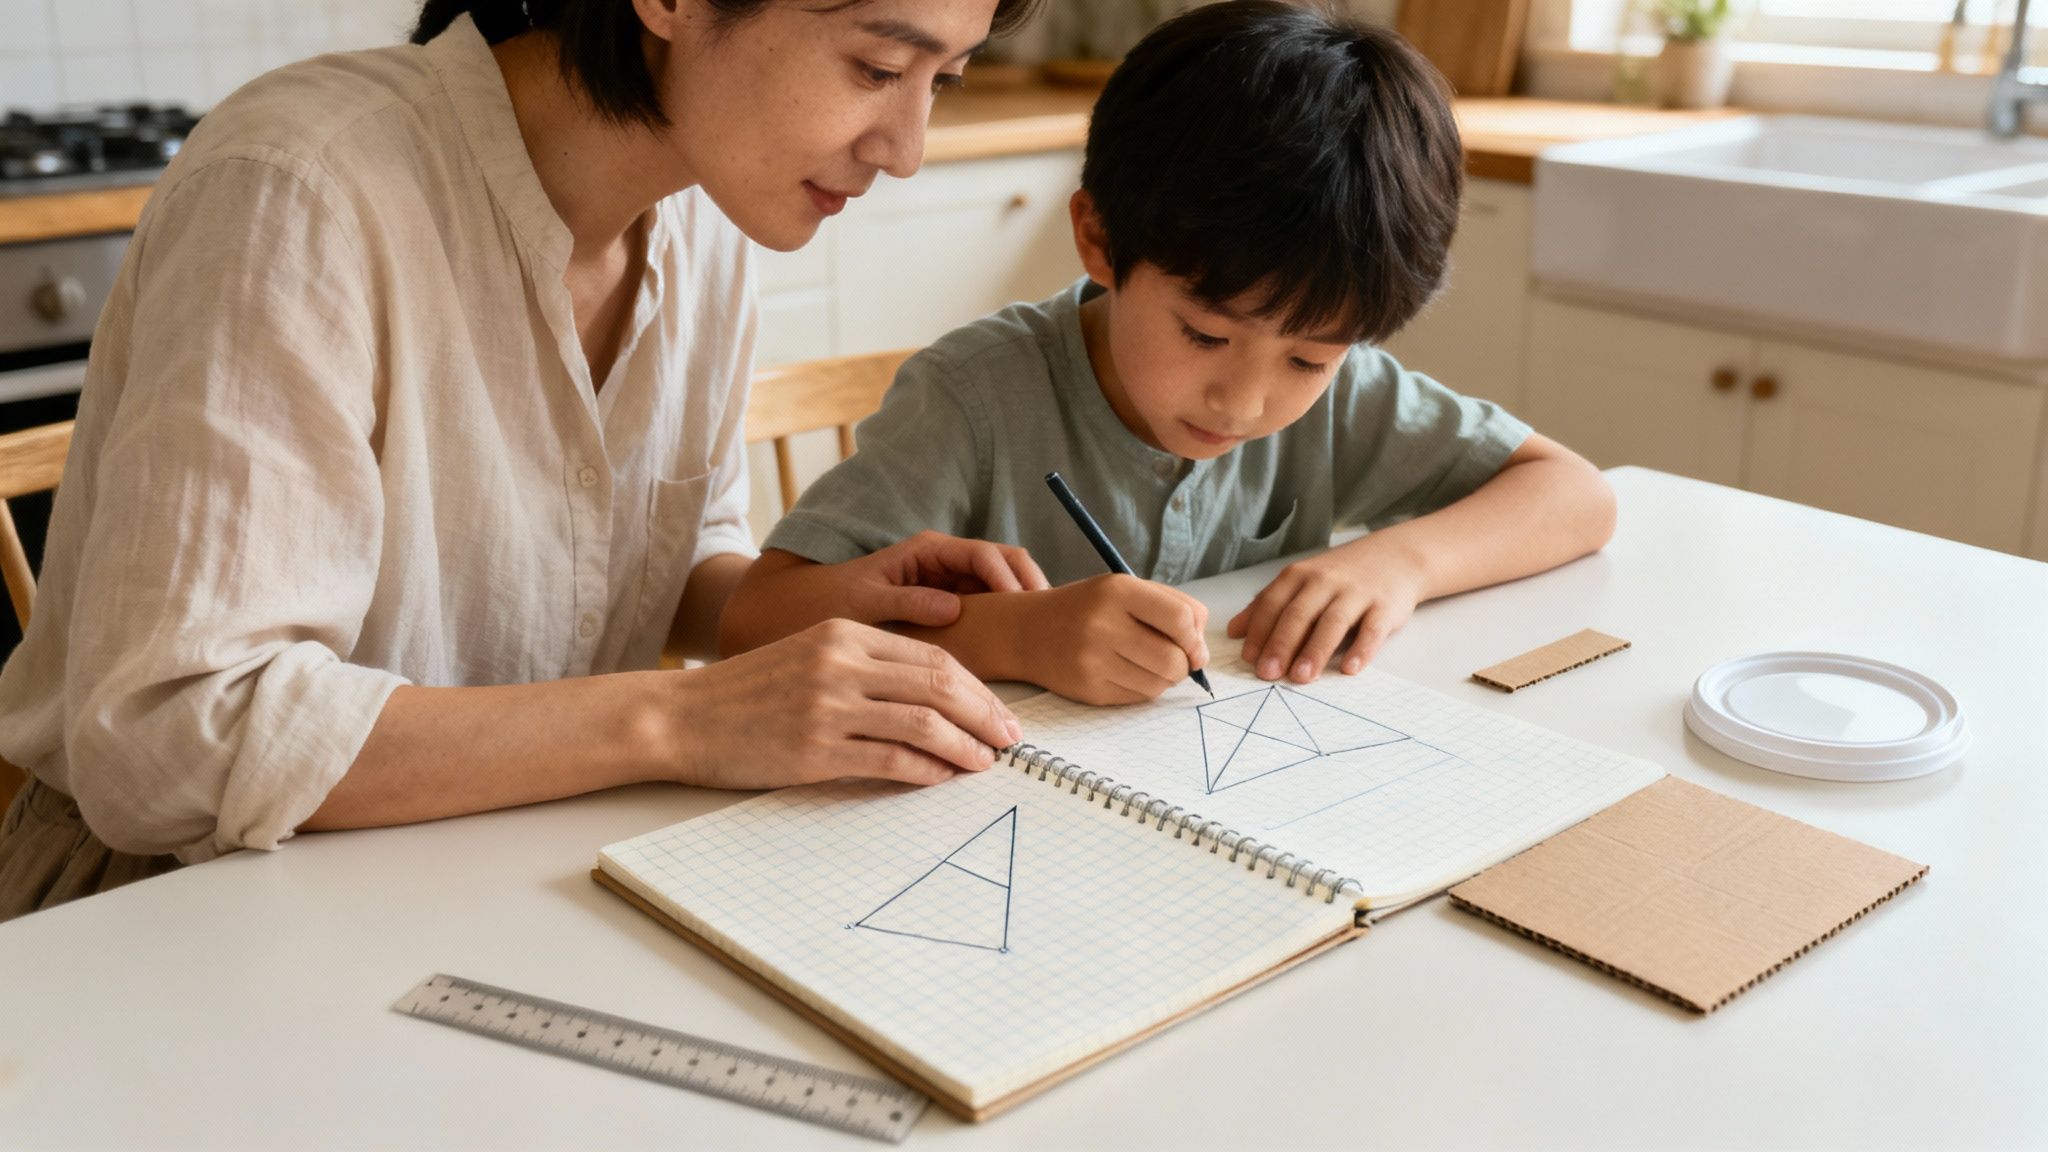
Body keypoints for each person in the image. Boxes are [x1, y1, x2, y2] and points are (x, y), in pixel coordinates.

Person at [0, 0, 1051, 922]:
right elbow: (175, 739)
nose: (907, 147)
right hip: (166, 910)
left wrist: (815, 608)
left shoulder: (712, 218)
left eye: (942, 80)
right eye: (875, 68)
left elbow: (652, 557)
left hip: (482, 869)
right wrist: (684, 718)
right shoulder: (300, 185)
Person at [719, 0, 1618, 706]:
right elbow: (753, 624)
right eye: (1204, 334)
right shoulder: (974, 398)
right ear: (1100, 241)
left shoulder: (1342, 397)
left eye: (1308, 360)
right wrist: (1018, 635)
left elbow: (1575, 495)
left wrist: (1398, 562)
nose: (1244, 402)